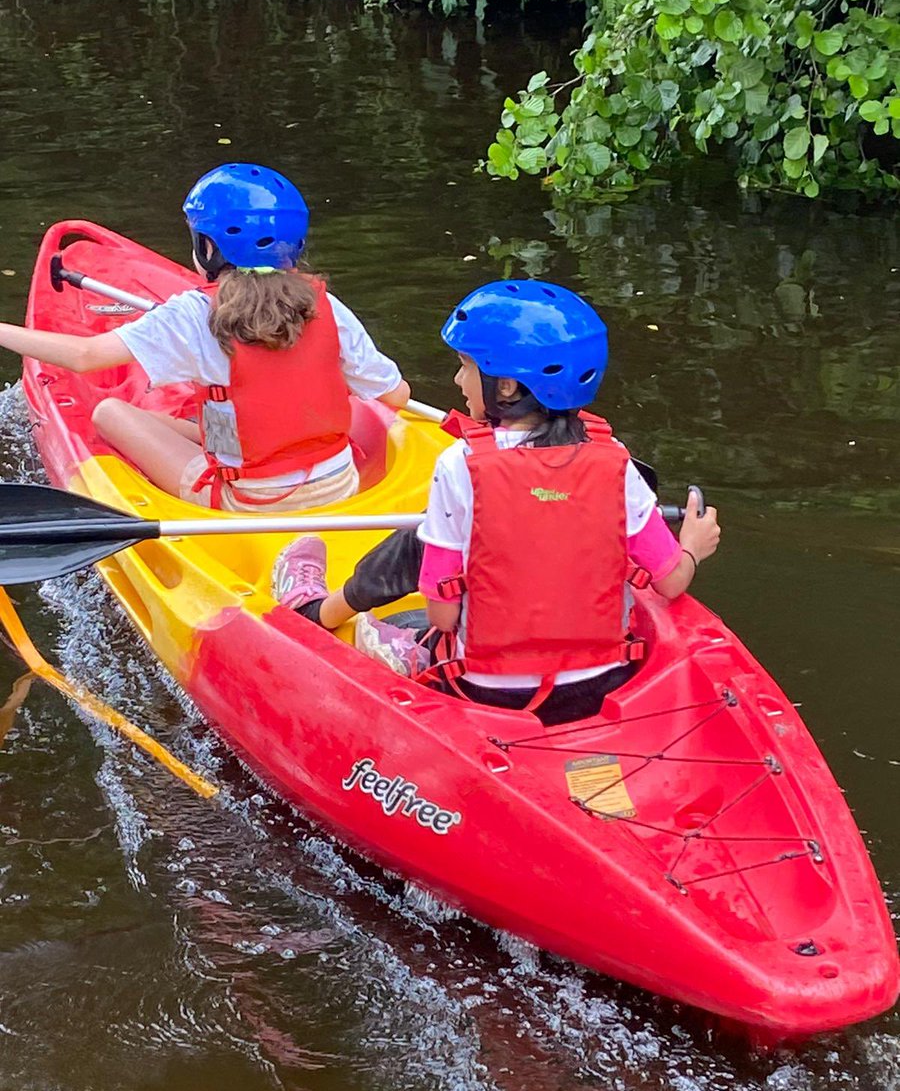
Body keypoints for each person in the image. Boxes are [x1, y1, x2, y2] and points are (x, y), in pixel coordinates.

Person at [271, 280, 721, 725]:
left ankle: (377, 639)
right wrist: (692, 547)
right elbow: (671, 582)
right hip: (598, 687)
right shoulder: (617, 461)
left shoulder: (460, 466)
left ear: (505, 386)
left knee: (421, 565)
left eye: (466, 366)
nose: (457, 379)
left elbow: (443, 616)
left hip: (482, 687)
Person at [0, 163, 410, 510]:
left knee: (110, 411)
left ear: (209, 246)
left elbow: (85, 356)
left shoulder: (194, 314)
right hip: (341, 487)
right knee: (177, 423)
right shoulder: (328, 307)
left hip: (251, 500)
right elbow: (396, 397)